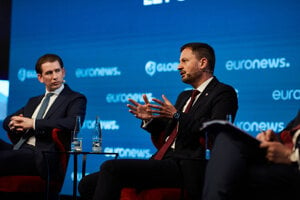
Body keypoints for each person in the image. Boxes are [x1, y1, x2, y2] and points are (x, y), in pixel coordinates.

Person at [78, 42, 238, 200]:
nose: (178, 67)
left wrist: (177, 115)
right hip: (163, 160)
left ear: (203, 63)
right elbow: (172, 129)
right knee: (87, 183)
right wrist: (150, 120)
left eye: (184, 61)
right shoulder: (185, 96)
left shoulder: (223, 93)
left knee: (111, 168)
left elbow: (216, 130)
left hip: (187, 165)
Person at [1, 53, 87, 180]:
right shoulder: (34, 101)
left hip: (42, 155)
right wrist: (14, 123)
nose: (54, 77)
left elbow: (73, 123)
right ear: (40, 78)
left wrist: (33, 123)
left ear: (63, 72)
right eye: (49, 73)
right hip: (21, 149)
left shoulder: (74, 98)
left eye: (57, 71)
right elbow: (7, 121)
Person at [201, 110, 300, 200]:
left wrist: (290, 155)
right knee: (227, 140)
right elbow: (290, 133)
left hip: (293, 166)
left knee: (236, 172)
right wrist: (273, 139)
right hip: (284, 161)